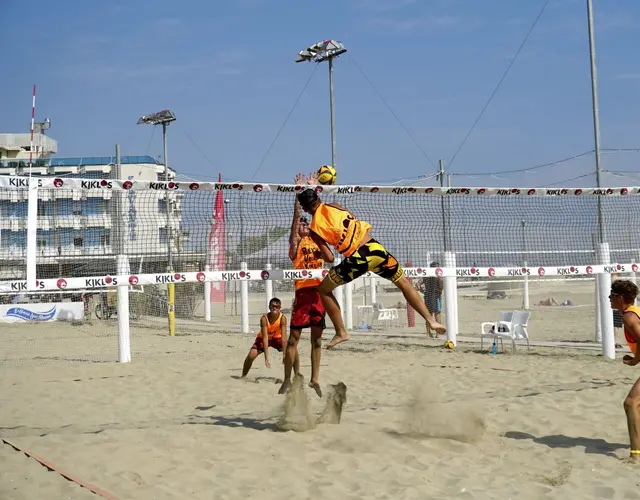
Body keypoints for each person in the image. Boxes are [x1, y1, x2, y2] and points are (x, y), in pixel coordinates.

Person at [297, 188, 447, 349]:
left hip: (358, 257)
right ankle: (430, 320)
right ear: (318, 198)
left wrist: (320, 253)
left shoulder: (314, 230)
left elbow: (330, 258)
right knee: (403, 282)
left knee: (324, 290)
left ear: (305, 209)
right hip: (375, 247)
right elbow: (350, 218)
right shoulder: (335, 205)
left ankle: (341, 331)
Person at [279, 173, 326, 397]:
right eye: (302, 224)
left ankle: (315, 379)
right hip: (303, 293)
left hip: (319, 294)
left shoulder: (317, 237)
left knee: (317, 340)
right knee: (293, 340)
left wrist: (313, 190)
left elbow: (319, 213)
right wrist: (299, 193)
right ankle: (287, 379)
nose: (304, 224)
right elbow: (297, 218)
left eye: (307, 223)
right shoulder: (295, 243)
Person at [609, 279, 640, 461]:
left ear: (620, 298)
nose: (609, 299)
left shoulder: (629, 316)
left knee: (630, 403)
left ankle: (635, 455)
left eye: (611, 296)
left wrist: (635, 360)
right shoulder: (632, 313)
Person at [241, 297, 295, 378]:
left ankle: (293, 376)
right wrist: (266, 358)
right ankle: (243, 376)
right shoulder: (264, 319)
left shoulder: (282, 318)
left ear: (280, 308)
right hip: (263, 339)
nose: (275, 308)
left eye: (277, 306)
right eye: (273, 306)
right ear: (269, 307)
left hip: (277, 339)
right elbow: (265, 338)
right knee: (251, 356)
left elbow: (284, 337)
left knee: (292, 351)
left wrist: (284, 354)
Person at [416, 261, 444, 338]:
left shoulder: (426, 275)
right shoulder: (438, 275)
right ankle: (438, 333)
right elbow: (441, 284)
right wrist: (440, 290)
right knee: (437, 314)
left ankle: (428, 333)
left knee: (428, 315)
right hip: (436, 296)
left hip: (428, 296)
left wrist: (423, 291)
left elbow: (417, 284)